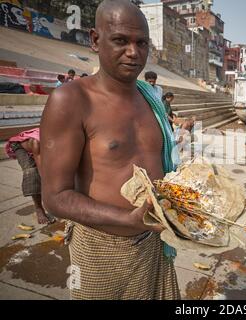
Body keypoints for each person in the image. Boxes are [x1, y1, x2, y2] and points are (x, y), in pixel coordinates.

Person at [40, 0, 179, 300]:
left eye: (142, 43)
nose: (133, 52)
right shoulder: (71, 100)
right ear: (94, 40)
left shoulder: (150, 99)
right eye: (120, 40)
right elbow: (54, 198)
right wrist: (126, 219)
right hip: (98, 251)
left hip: (154, 244)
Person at [5, 128, 55, 224]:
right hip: (20, 145)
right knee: (32, 172)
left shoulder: (63, 142)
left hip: (37, 147)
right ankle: (39, 208)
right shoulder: (38, 142)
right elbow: (42, 172)